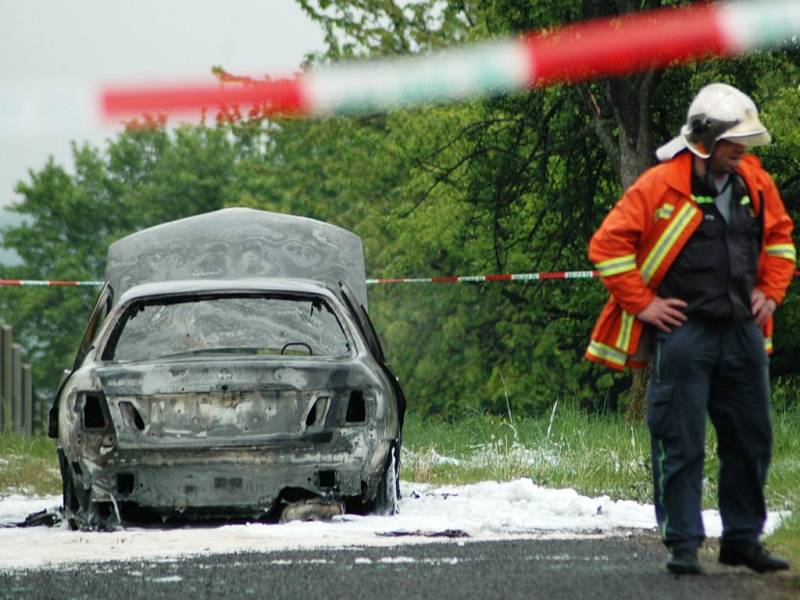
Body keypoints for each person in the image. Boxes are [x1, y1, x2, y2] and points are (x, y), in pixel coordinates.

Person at [585, 83, 795, 575]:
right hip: (684, 335)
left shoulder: (754, 180)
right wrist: (645, 303)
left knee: (752, 437)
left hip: (743, 330)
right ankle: (683, 545)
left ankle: (742, 540)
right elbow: (606, 247)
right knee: (681, 442)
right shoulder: (660, 185)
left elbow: (781, 238)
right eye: (733, 143)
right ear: (704, 140)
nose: (742, 151)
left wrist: (772, 289)